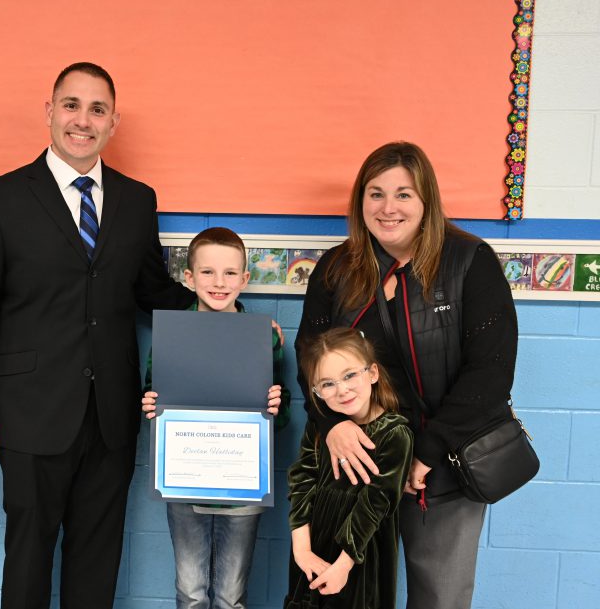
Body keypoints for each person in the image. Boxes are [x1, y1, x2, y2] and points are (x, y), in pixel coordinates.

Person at [0, 62, 194, 609]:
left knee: (97, 559)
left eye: (97, 109)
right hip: (29, 414)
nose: (83, 120)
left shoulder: (137, 200)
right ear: (50, 111)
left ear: (114, 122)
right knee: (29, 556)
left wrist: (228, 317)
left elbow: (154, 291)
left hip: (110, 417)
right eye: (71, 105)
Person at [295, 142, 518, 609]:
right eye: (375, 194)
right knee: (345, 594)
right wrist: (331, 426)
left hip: (441, 468)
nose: (388, 208)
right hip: (355, 465)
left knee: (440, 596)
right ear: (360, 202)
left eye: (403, 194)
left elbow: (490, 374)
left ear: (426, 201)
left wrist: (428, 453)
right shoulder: (337, 269)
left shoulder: (469, 262)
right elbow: (308, 359)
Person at [140, 226, 289, 609]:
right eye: (207, 272)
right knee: (190, 593)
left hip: (242, 489)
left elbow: (282, 415)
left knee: (229, 597)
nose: (219, 283)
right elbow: (152, 393)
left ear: (245, 278)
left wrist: (277, 406)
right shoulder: (171, 336)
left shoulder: (263, 338)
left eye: (229, 273)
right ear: (188, 278)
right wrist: (151, 406)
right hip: (184, 484)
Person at [285, 328, 413, 609]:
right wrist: (302, 550)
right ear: (317, 393)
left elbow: (375, 505)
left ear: (373, 373)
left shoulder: (394, 434)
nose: (342, 389)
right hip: (313, 545)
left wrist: (343, 566)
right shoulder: (320, 429)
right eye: (327, 384)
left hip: (359, 554)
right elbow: (301, 482)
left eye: (349, 375)